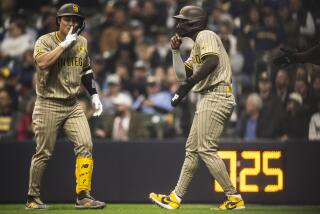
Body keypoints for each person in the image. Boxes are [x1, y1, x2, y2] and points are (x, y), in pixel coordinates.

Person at [149, 5, 245, 210]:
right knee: (192, 149)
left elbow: (212, 61)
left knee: (205, 149)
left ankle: (234, 197)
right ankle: (175, 198)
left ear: (193, 23)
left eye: (182, 20)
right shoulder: (196, 45)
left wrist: (189, 84)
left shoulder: (206, 34)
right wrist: (175, 52)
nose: (178, 24)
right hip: (209, 96)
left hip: (217, 94)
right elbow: (182, 75)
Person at [25, 3, 105, 210]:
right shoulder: (45, 40)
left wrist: (94, 94)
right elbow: (42, 63)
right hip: (48, 103)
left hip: (72, 104)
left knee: (86, 145)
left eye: (75, 20)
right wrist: (63, 46)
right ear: (58, 21)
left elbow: (86, 69)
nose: (71, 23)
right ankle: (32, 198)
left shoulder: (82, 42)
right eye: (67, 19)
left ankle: (83, 195)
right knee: (43, 153)